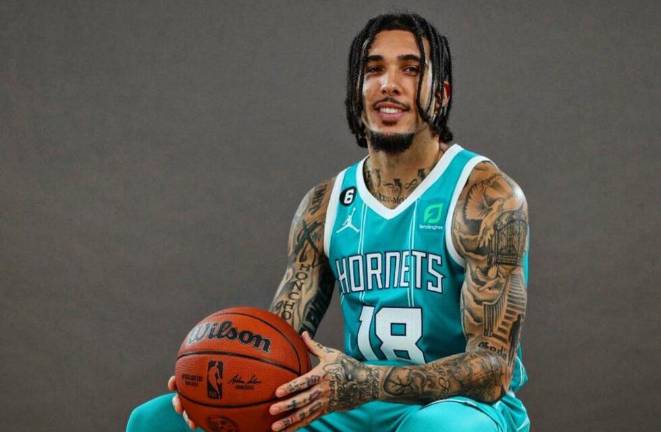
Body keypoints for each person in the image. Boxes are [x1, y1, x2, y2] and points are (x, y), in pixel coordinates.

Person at [127, 12, 530, 432]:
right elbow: (277, 343)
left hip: (462, 406)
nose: (389, 84)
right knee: (158, 420)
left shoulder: (484, 195)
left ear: (441, 94)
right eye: (373, 69)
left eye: (410, 69)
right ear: (357, 92)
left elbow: (493, 369)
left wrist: (364, 382)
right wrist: (218, 380)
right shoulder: (324, 206)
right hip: (352, 400)